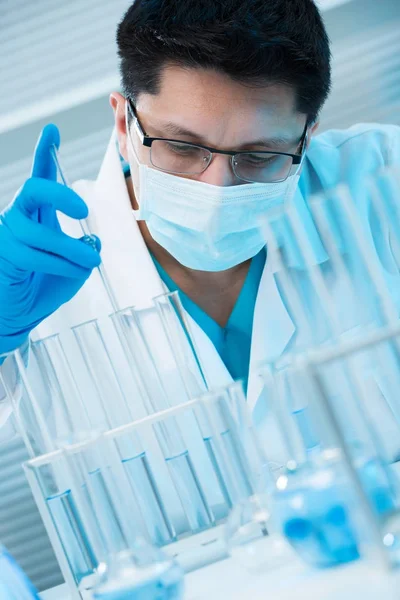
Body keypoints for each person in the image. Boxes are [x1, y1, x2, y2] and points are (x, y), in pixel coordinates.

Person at [0, 0, 399, 458]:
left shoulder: (385, 181)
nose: (216, 190)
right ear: (123, 124)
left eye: (259, 156)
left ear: (305, 139)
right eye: (182, 147)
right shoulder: (33, 259)